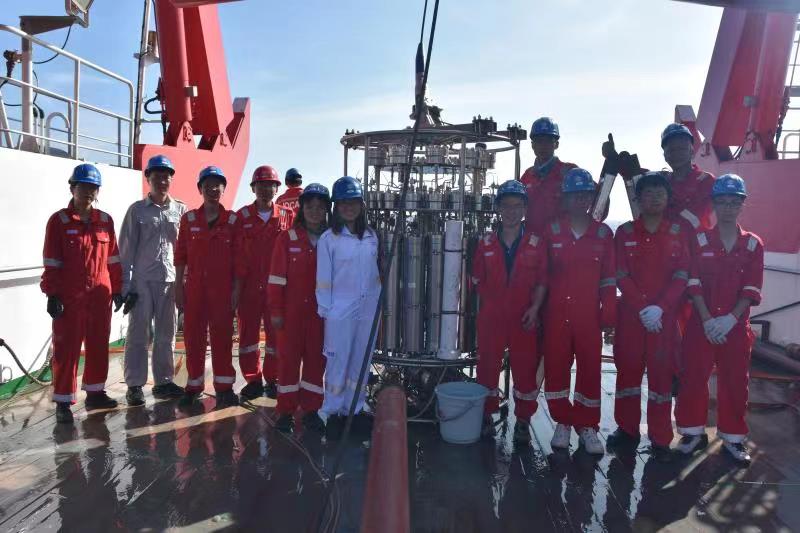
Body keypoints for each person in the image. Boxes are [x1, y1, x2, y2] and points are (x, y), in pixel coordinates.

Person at [674, 175, 763, 464]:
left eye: (734, 202)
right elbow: (694, 282)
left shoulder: (753, 245)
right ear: (714, 204)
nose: (728, 208)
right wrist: (707, 319)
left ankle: (733, 437)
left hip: (735, 328)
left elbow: (752, 287)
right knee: (692, 378)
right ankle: (692, 433)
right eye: (722, 202)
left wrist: (730, 320)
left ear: (742, 204)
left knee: (735, 382)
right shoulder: (699, 241)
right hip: (701, 324)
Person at [608, 171, 689, 462]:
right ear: (638, 199)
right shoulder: (625, 232)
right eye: (648, 193)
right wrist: (644, 307)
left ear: (668, 199)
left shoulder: (678, 233)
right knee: (627, 376)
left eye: (660, 193)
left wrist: (660, 308)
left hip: (663, 321)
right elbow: (620, 273)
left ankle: (660, 437)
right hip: (631, 318)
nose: (654, 198)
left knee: (661, 381)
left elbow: (682, 274)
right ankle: (626, 429)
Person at [41, 163, 124, 423]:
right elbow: (51, 261)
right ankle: (63, 401)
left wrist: (118, 289)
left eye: (93, 188)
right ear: (72, 188)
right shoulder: (59, 221)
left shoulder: (105, 221)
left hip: (100, 294)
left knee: (98, 345)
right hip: (70, 295)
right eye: (83, 187)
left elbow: (113, 259)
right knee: (66, 348)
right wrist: (52, 294)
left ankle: (96, 393)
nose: (88, 192)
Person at [542, 168, 616, 455]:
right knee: (556, 368)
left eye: (585, 195)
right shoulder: (552, 231)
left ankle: (587, 426)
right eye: (574, 195)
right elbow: (541, 277)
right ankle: (563, 421)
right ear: (565, 198)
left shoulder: (603, 234)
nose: (579, 200)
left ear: (591, 198)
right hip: (556, 315)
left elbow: (608, 279)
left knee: (590, 370)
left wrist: (608, 315)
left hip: (588, 317)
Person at [471, 179, 547, 444]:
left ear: (525, 209)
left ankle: (523, 421)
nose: (511, 211)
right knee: (487, 368)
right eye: (506, 205)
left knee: (525, 369)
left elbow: (542, 281)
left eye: (517, 206)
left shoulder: (536, 243)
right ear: (498, 209)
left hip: (524, 316)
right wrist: (492, 304)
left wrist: (535, 309)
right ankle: (486, 415)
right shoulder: (486, 243)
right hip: (492, 316)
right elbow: (476, 279)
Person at [316, 176, 381, 440]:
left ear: (362, 204)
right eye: (343, 203)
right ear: (336, 207)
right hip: (339, 312)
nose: (348, 207)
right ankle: (332, 412)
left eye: (353, 201)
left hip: (368, 310)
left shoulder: (371, 236)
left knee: (361, 362)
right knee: (338, 362)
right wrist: (327, 310)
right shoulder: (329, 239)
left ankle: (353, 409)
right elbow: (323, 278)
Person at [118, 155, 187, 406]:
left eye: (166, 176)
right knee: (139, 334)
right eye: (157, 176)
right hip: (142, 282)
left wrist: (185, 282)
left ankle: (164, 382)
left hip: (170, 282)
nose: (162, 180)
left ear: (171, 179)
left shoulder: (181, 210)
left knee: (166, 334)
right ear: (148, 178)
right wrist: (125, 287)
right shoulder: (136, 211)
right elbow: (125, 251)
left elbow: (186, 251)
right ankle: (135, 385)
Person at [174, 166, 240, 409]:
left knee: (223, 338)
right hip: (195, 289)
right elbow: (180, 255)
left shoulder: (233, 220)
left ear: (224, 189)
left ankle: (224, 388)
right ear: (200, 189)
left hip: (223, 290)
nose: (213, 189)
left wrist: (236, 290)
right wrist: (178, 286)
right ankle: (194, 386)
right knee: (193, 338)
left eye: (217, 185)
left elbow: (240, 259)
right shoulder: (189, 219)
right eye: (207, 185)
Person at [268, 183, 331, 433]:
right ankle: (285, 411)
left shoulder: (331, 240)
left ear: (327, 210)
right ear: (302, 209)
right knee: (288, 363)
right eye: (310, 206)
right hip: (291, 315)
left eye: (320, 207)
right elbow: (276, 279)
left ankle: (311, 410)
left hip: (320, 315)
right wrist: (276, 311)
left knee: (316, 363)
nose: (315, 211)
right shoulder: (287, 238)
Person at [235, 165, 290, 400]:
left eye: (270, 185)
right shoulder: (242, 217)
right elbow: (235, 253)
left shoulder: (287, 216)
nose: (266, 189)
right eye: (261, 185)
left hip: (276, 288)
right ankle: (253, 380)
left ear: (277, 188)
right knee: (248, 337)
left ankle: (273, 378)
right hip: (249, 288)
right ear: (253, 188)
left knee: (276, 336)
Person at [519, 117, 578, 234]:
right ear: (532, 145)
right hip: (533, 242)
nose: (543, 146)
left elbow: (597, 204)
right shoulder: (527, 176)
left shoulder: (570, 173)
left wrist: (609, 170)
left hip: (562, 242)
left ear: (556, 144)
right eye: (539, 141)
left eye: (548, 141)